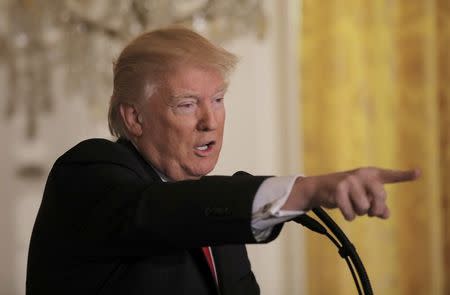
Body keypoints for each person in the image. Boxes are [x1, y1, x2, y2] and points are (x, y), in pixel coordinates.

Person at [26, 27, 419, 295]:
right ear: (134, 118)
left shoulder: (218, 218)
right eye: (187, 104)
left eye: (217, 100)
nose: (209, 121)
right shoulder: (89, 173)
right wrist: (308, 188)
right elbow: (159, 212)